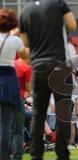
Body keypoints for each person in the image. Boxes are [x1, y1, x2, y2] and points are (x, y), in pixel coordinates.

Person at [19, 0, 77, 159]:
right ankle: (62, 154)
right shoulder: (58, 3)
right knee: (63, 113)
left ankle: (36, 155)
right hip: (59, 65)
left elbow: (25, 43)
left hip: (38, 67)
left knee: (38, 114)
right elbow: (72, 25)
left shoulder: (25, 10)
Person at [0, 8, 28, 160]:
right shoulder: (15, 40)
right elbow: (26, 56)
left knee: (3, 122)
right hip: (9, 78)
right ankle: (10, 156)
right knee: (11, 122)